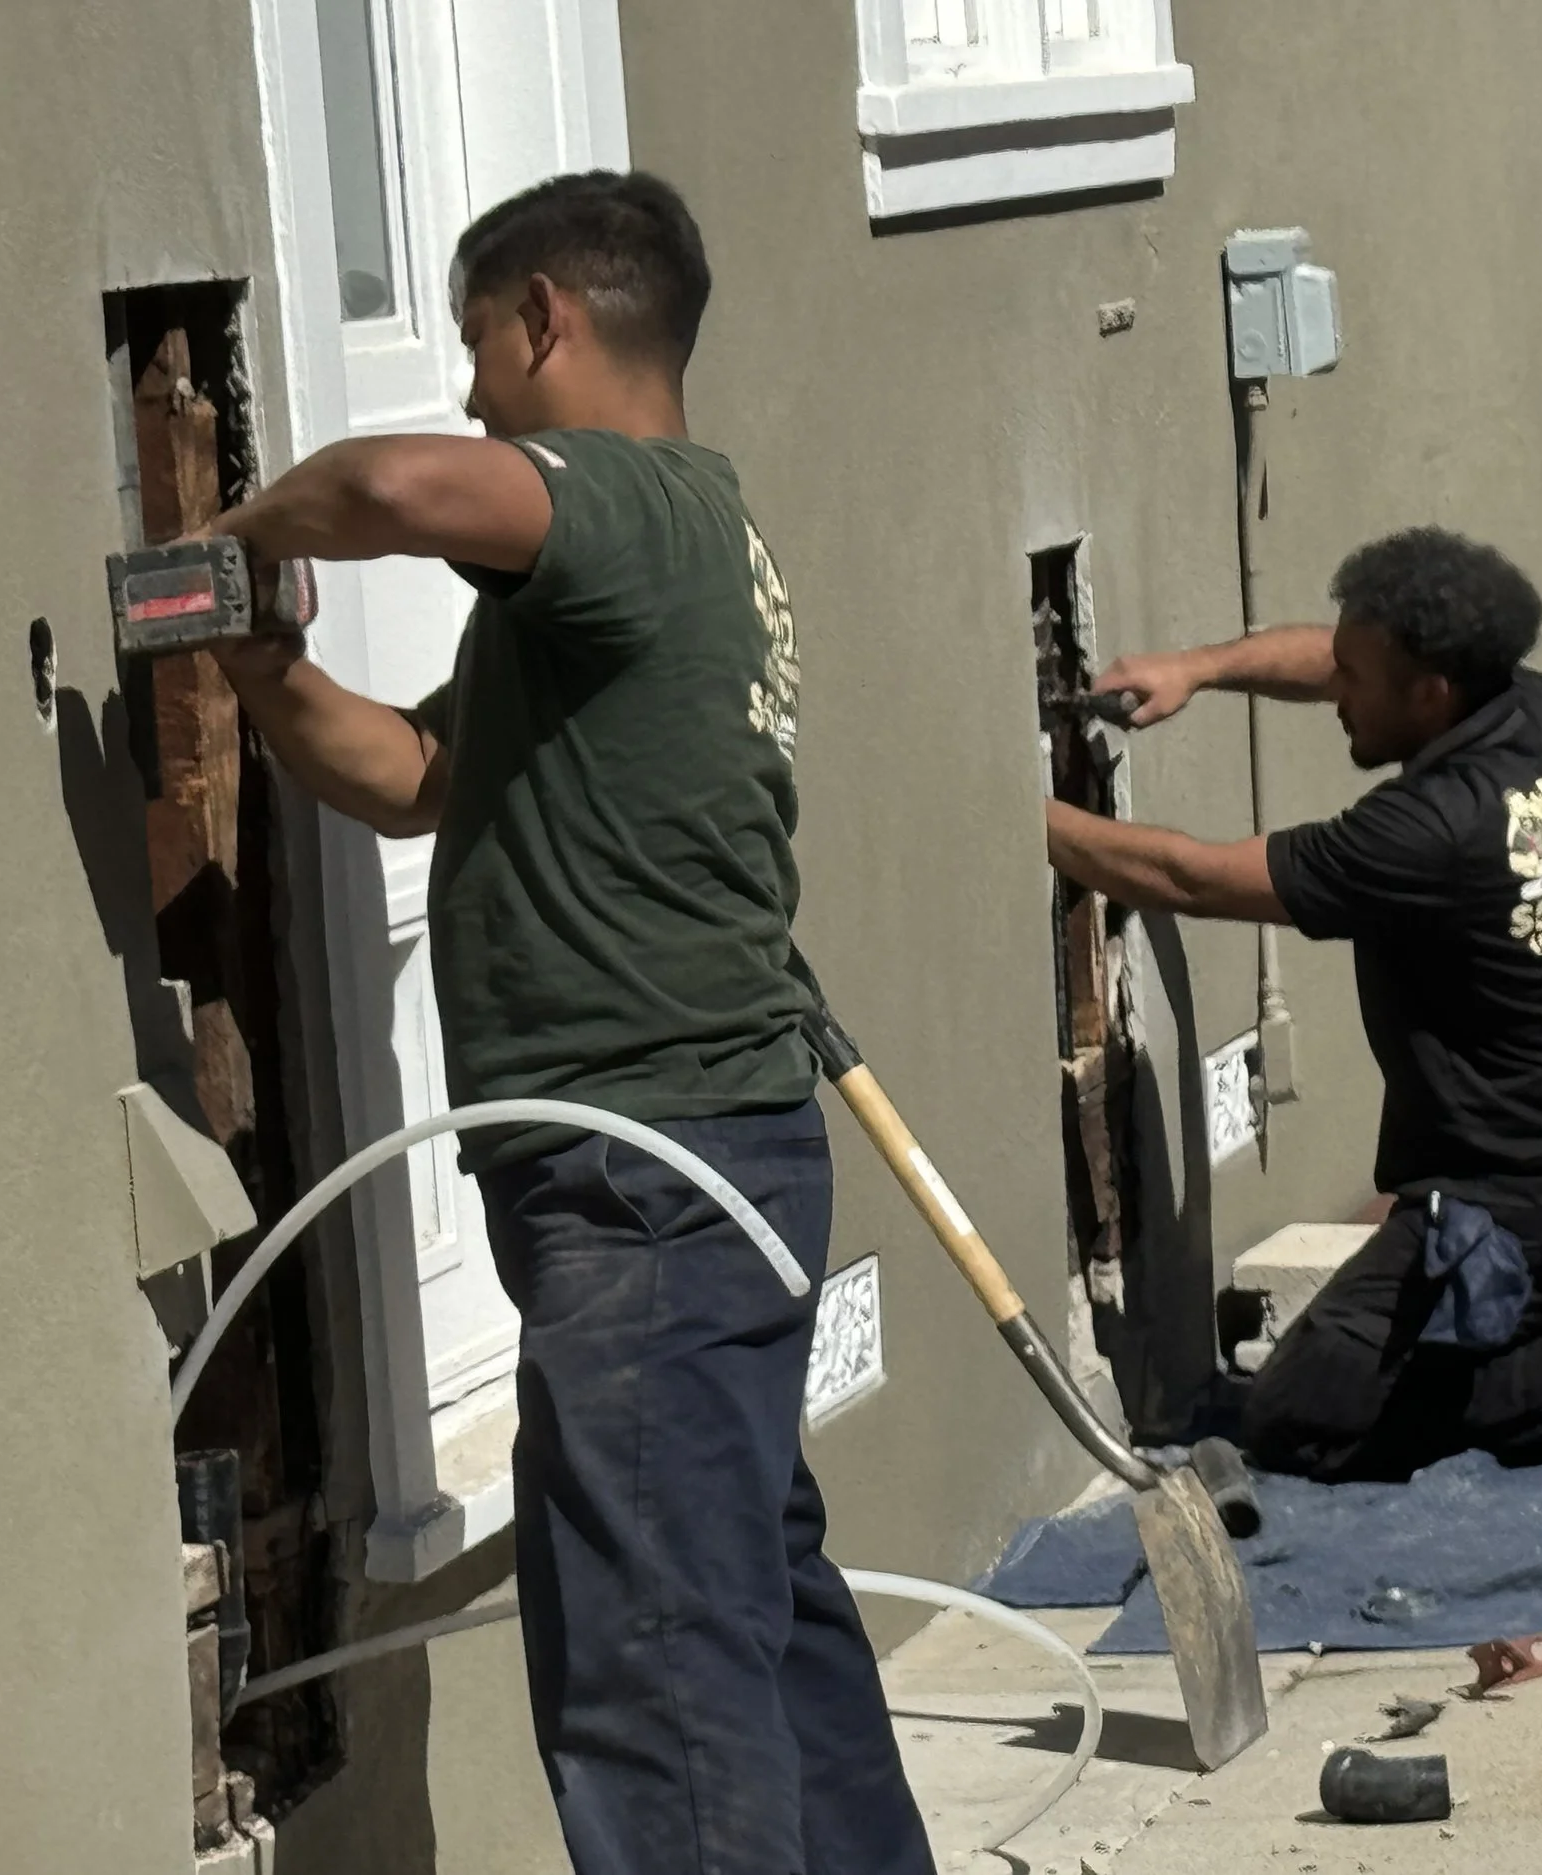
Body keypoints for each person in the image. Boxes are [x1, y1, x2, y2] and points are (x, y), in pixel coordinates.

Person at [203, 171, 933, 1875]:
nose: (469, 389)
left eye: (477, 345)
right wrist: (246, 653)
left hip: (650, 1180)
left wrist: (239, 534)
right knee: (745, 1605)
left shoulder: (631, 506)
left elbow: (394, 484)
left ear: (548, 317)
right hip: (691, 1168)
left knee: (655, 1684)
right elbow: (412, 781)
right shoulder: (663, 568)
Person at [1043, 526, 1542, 1483]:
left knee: (1299, 1418)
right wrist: (1195, 669)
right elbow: (1339, 657)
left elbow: (1193, 880)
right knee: (1352, 1381)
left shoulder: (1431, 833)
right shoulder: (1536, 709)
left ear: (1431, 694)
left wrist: (1016, 810)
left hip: (1517, 1222)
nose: (1338, 692)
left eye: (1357, 681)